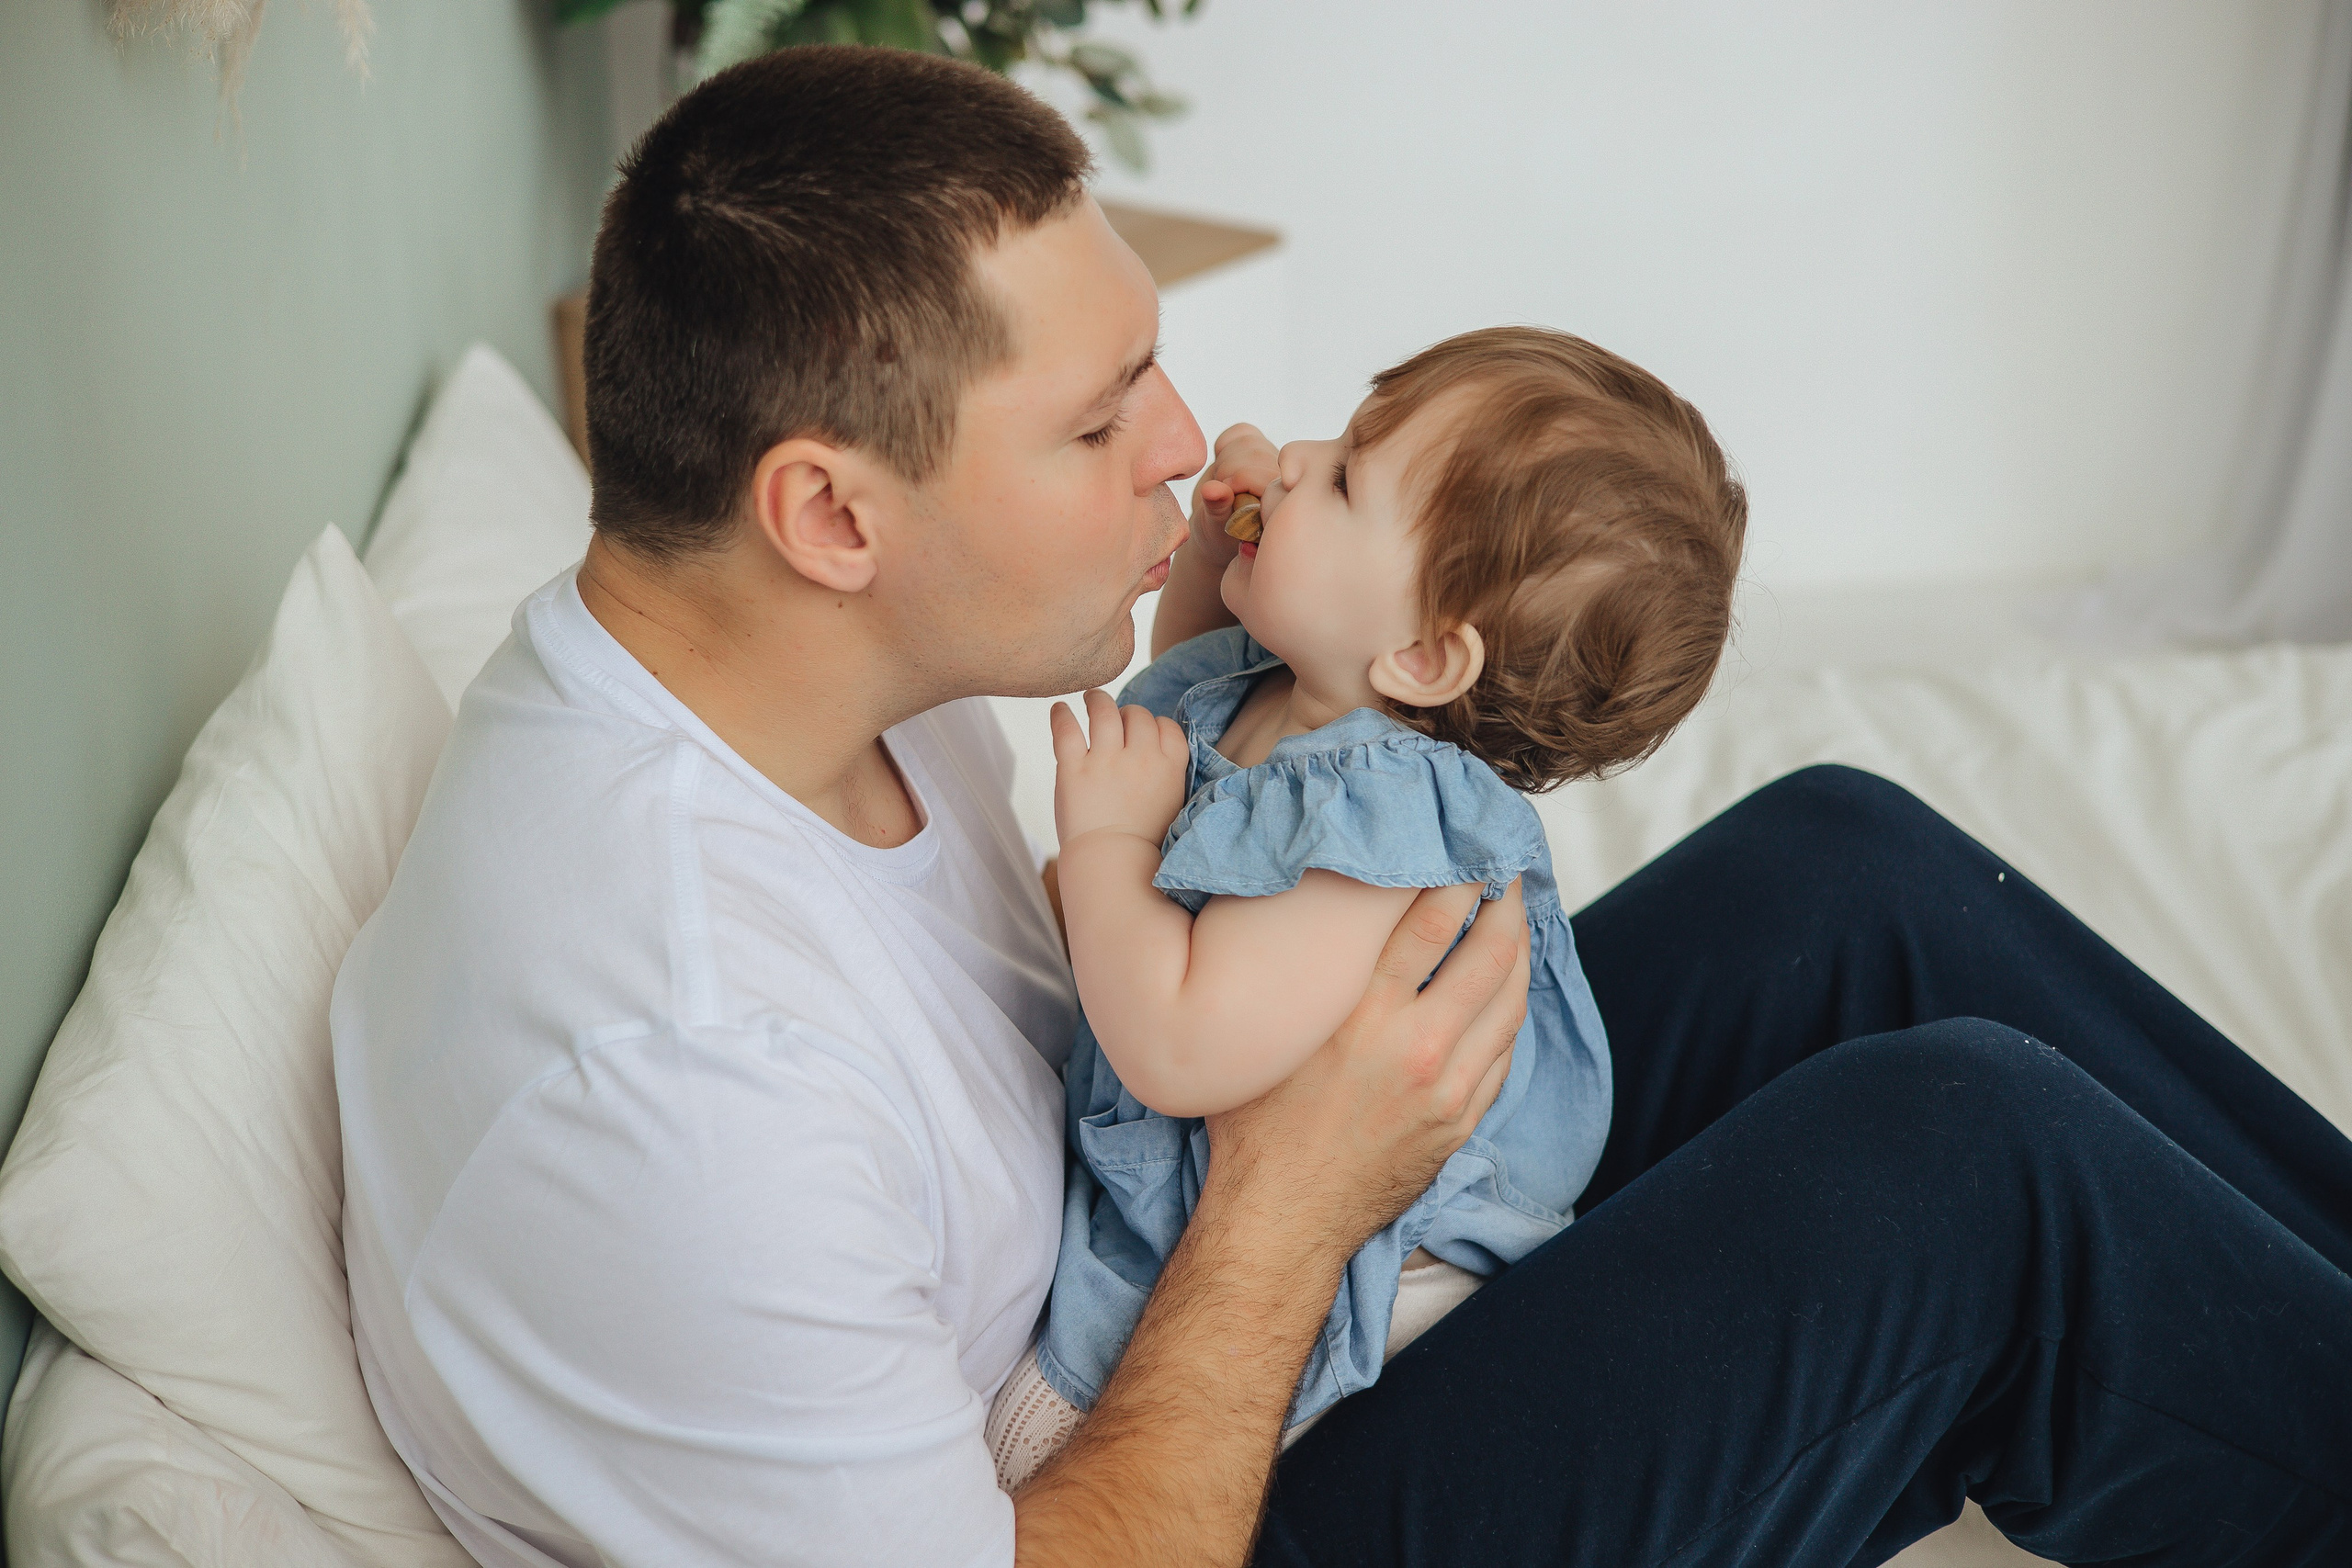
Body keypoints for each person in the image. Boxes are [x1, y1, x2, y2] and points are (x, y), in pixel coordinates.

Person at [332, 43, 2352, 1568]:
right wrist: (1309, 1185)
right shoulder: (663, 1070)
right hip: (1177, 1482)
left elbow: (1180, 829)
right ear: (831, 512)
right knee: (1959, 1164)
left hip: (1188, 1259)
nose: (1186, 444)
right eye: (1096, 415)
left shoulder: (786, 656)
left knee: (1841, 869)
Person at [1007, 327, 1741, 1472]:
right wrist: (1213, 553)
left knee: (1040, 1450)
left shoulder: (1379, 823)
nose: (1296, 458)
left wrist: (1104, 837)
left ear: (1425, 660)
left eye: (1346, 476)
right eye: (1344, 435)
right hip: (1204, 1170)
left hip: (1362, 1285)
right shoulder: (1289, 683)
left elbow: (1179, 1044)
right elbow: (1193, 682)